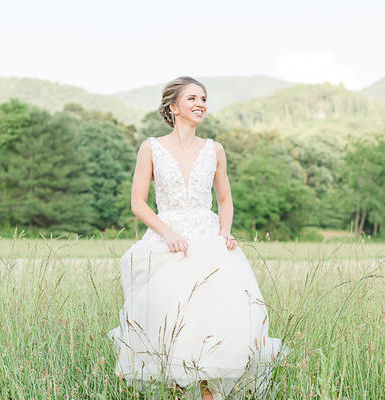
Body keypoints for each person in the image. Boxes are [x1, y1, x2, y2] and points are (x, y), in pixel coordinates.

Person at [108, 76, 286, 400]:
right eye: (191, 98)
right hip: (169, 244)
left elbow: (225, 200)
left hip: (209, 242)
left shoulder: (214, 150)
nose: (200, 103)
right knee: (174, 328)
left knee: (216, 325)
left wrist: (225, 232)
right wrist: (168, 233)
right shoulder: (150, 148)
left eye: (203, 98)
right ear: (173, 107)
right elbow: (138, 203)